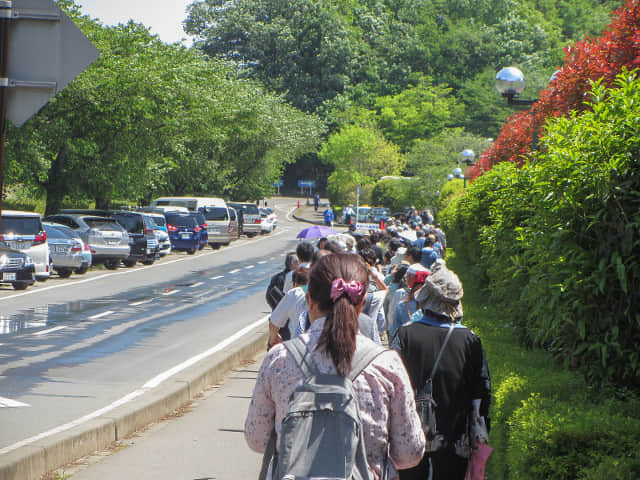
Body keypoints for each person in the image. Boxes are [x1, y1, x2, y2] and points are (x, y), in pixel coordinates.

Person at [245, 253, 426, 479]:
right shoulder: (386, 364)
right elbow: (410, 453)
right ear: (361, 306)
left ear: (309, 300)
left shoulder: (280, 359)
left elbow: (256, 439)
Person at [392, 260, 491, 480]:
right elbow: (482, 392)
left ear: (426, 298)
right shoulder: (470, 340)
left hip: (410, 434)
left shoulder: (404, 334)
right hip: (455, 440)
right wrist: (481, 434)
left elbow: (392, 385)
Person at [268, 266, 310, 345]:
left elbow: (273, 323)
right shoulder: (321, 292)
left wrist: (273, 338)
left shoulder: (294, 293)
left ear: (294, 283)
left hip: (298, 346)